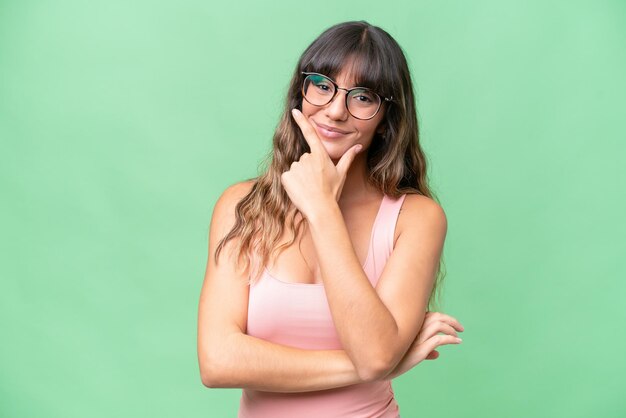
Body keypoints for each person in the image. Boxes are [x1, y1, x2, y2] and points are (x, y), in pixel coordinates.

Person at [197, 20, 464, 418]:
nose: (335, 110)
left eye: (362, 97)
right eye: (322, 85)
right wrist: (381, 362)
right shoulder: (241, 206)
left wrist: (322, 210)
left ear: (387, 116)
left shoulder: (416, 218)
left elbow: (375, 355)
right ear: (300, 92)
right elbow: (218, 362)